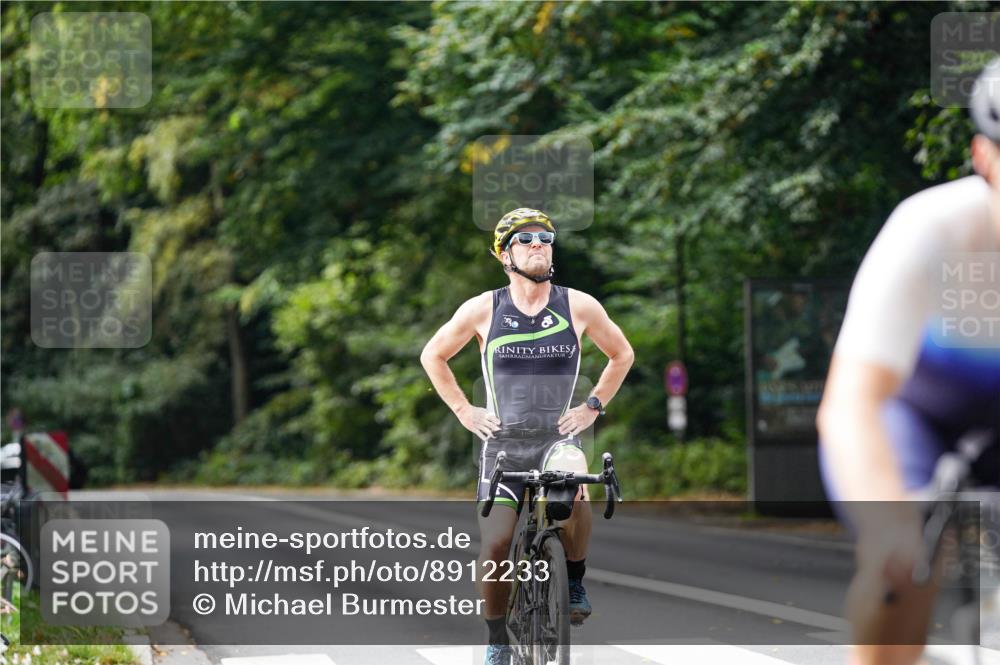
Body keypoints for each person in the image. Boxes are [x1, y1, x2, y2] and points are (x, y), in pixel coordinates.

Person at [818, 59, 1000, 665]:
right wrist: (888, 519)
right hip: (915, 411)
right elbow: (852, 402)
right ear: (982, 156)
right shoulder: (929, 229)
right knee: (902, 569)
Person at [420, 208, 634, 665]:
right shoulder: (484, 308)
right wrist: (463, 409)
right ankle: (497, 638)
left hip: (557, 439)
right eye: (525, 239)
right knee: (496, 543)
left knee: (575, 496)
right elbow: (433, 355)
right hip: (504, 443)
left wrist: (592, 407)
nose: (538, 244)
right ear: (505, 255)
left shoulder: (579, 305)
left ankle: (573, 579)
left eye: (545, 238)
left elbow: (622, 354)